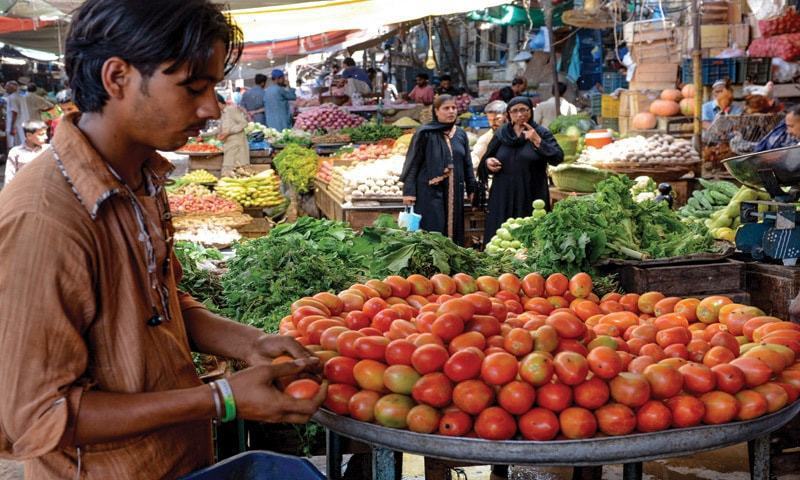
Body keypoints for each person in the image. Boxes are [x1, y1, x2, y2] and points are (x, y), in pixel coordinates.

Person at [0, 2, 326, 479]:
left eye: (212, 87)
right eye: (194, 87)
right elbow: (35, 417)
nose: (211, 108)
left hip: (179, 461)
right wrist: (222, 399)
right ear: (117, 77)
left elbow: (166, 305)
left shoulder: (141, 179)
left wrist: (251, 343)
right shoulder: (45, 217)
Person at [479, 96, 564, 245]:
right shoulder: (501, 134)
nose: (519, 114)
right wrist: (488, 163)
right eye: (515, 111)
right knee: (500, 237)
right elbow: (486, 159)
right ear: (508, 114)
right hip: (503, 194)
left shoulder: (541, 132)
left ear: (530, 111)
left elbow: (557, 158)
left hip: (531, 193)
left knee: (529, 239)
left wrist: (537, 140)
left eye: (523, 110)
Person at [400, 95, 478, 245]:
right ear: (436, 111)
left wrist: (471, 188)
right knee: (433, 228)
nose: (451, 111)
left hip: (455, 190)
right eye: (446, 108)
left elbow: (467, 163)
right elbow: (413, 163)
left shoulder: (460, 134)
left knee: (454, 227)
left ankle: (452, 265)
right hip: (429, 192)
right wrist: (409, 191)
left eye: (454, 108)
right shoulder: (425, 133)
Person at [3, 120, 49, 186]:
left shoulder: (49, 149)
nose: (46, 137)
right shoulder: (15, 152)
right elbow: (9, 176)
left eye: (46, 133)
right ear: (29, 136)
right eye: (41, 134)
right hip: (23, 190)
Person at [215, 94, 250, 174]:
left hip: (237, 146)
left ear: (219, 103)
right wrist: (202, 135)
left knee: (238, 172)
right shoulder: (222, 113)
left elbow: (244, 123)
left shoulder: (232, 109)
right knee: (229, 172)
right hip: (228, 146)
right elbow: (219, 129)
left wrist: (229, 132)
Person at [471, 100, 507, 168]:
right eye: (490, 120)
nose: (493, 123)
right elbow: (475, 156)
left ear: (506, 115)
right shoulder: (486, 138)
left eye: (497, 119)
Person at [3, 80, 20, 149]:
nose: (5, 88)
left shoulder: (12, 97)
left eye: (7, 86)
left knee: (13, 146)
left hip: (13, 126)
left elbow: (14, 112)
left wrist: (12, 127)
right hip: (14, 125)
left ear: (13, 87)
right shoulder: (16, 96)